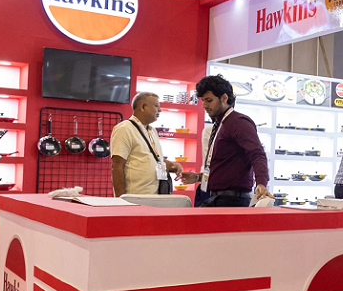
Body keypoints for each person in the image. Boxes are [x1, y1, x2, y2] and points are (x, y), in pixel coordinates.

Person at [181, 76, 271, 207]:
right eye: (203, 101)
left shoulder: (239, 122)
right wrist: (198, 177)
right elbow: (223, 167)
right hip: (216, 197)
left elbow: (257, 153)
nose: (205, 105)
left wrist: (261, 182)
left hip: (231, 200)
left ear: (224, 98)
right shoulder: (220, 124)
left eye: (209, 100)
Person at [111, 92, 184, 197]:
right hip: (135, 197)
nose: (160, 110)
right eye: (156, 106)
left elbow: (154, 160)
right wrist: (120, 199)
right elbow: (117, 165)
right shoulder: (124, 128)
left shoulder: (152, 131)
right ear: (143, 107)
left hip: (155, 197)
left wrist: (172, 166)